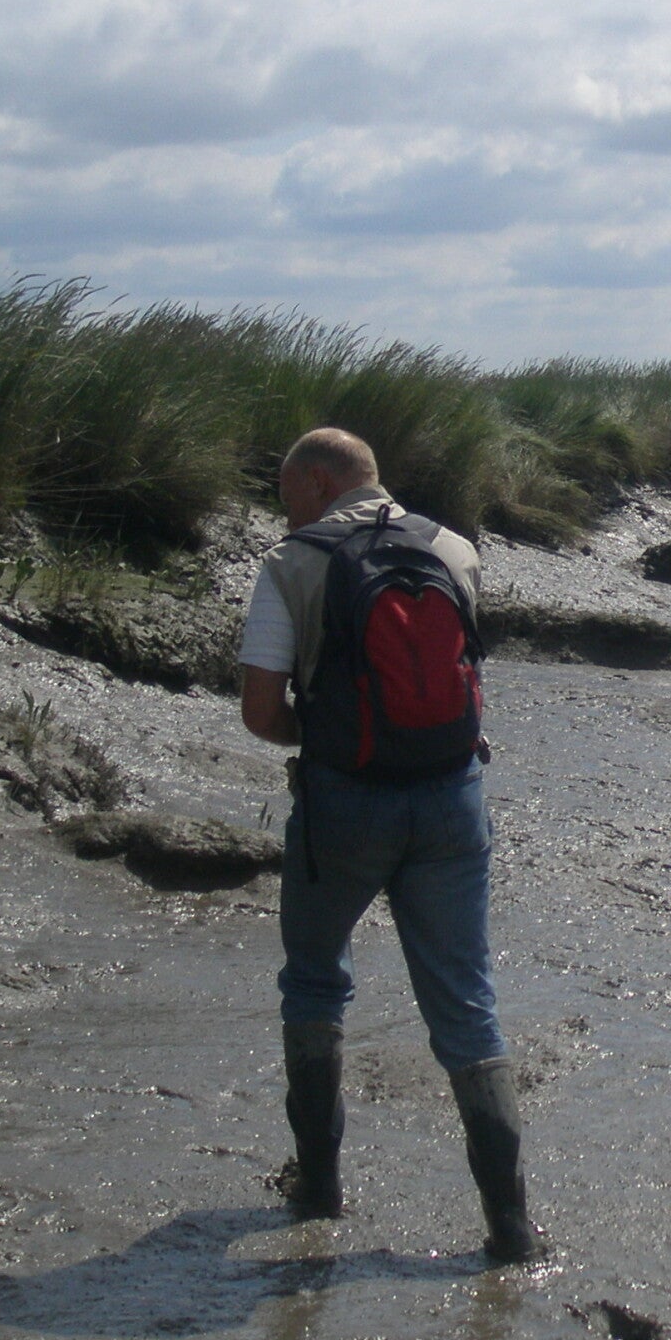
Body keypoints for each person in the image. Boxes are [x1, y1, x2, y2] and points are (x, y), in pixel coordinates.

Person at [238, 427, 542, 1263]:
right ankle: (511, 1229)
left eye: (286, 493)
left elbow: (260, 711)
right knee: (467, 1003)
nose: (284, 510)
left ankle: (318, 1188)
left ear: (317, 481)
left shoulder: (291, 562)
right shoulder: (454, 549)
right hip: (452, 800)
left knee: (314, 978)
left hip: (343, 804)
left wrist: (327, 736)